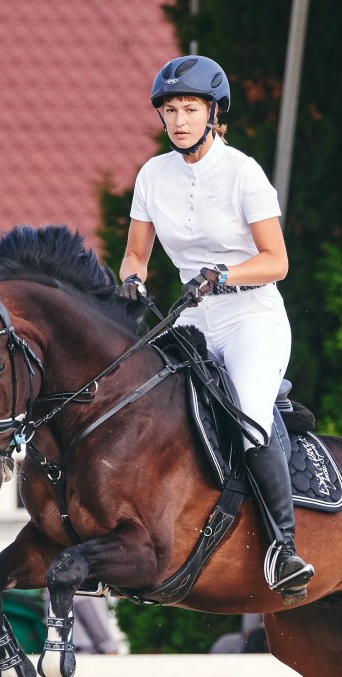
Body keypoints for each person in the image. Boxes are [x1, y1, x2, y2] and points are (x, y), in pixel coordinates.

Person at [117, 54, 312, 598]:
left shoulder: (244, 172)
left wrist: (222, 275)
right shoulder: (152, 175)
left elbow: (277, 261)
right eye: (171, 109)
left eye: (190, 108)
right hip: (191, 318)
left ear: (213, 113)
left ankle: (283, 545)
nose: (179, 120)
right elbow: (136, 255)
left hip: (250, 314)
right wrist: (130, 281)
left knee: (249, 414)